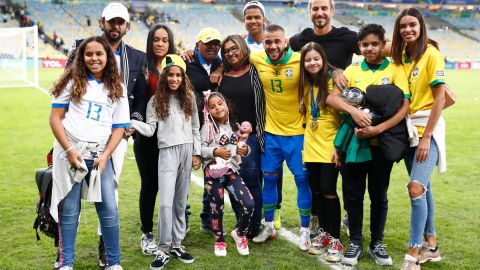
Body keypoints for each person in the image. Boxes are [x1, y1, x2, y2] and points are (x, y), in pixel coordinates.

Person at [64, 3, 147, 267]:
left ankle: (104, 246)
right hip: (78, 136)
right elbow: (66, 87)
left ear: (127, 26)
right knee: (69, 193)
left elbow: (142, 96)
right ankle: (64, 252)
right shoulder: (80, 47)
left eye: (120, 22)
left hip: (115, 137)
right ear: (102, 23)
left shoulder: (137, 57)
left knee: (109, 191)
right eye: (111, 21)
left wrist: (134, 120)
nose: (115, 26)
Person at [326, 24, 410, 266]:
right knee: (353, 196)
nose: (369, 48)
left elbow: (405, 106)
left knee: (379, 196)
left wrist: (377, 129)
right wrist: (353, 111)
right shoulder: (352, 71)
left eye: (374, 43)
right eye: (364, 44)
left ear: (383, 44)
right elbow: (332, 98)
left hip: (380, 145)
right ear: (359, 47)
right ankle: (354, 242)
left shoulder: (395, 69)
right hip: (354, 146)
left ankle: (377, 243)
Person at [49, 36, 129, 270]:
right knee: (70, 210)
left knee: (109, 211)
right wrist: (69, 150)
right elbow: (55, 119)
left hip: (100, 157)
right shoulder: (71, 81)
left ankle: (114, 263)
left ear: (108, 57)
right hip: (72, 153)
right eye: (89, 54)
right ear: (82, 57)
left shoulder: (118, 87)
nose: (94, 58)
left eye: (99, 54)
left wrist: (105, 156)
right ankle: (66, 263)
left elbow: (119, 127)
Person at [130, 54, 200, 270]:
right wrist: (131, 123)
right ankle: (163, 248)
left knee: (180, 202)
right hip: (167, 152)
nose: (174, 78)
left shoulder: (189, 97)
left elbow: (196, 127)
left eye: (179, 75)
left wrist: (197, 153)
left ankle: (177, 244)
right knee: (165, 203)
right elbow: (150, 129)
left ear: (183, 77)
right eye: (170, 74)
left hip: (187, 150)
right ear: (164, 77)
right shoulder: (155, 101)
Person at [391, 8, 446, 270]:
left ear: (421, 26)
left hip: (427, 130)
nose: (407, 30)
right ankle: (432, 247)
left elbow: (440, 99)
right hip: (408, 129)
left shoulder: (432, 54)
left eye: (412, 25)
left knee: (415, 188)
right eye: (403, 26)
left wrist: (426, 138)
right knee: (423, 188)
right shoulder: (403, 57)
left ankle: (413, 253)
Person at [249, 24, 312, 251]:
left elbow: (322, 65)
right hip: (271, 135)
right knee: (270, 180)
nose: (273, 46)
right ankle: (268, 225)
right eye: (268, 42)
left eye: (277, 41)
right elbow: (233, 54)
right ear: (263, 43)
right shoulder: (257, 59)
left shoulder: (300, 59)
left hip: (297, 135)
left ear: (286, 41)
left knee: (302, 181)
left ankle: (305, 230)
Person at [133, 24, 176, 256]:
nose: (160, 44)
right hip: (148, 137)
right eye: (156, 40)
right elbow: (138, 97)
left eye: (165, 40)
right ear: (150, 42)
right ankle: (147, 232)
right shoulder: (142, 66)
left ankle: (173, 230)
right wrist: (136, 122)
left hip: (171, 137)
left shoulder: (177, 64)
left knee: (172, 186)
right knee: (150, 185)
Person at [217, 35, 265, 239]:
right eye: (226, 50)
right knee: (231, 179)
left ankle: (254, 225)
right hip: (228, 137)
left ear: (243, 48)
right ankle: (242, 222)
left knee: (251, 178)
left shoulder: (256, 71)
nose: (230, 53)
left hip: (252, 136)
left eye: (234, 48)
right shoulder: (221, 73)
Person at [298, 42, 343, 261]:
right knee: (316, 191)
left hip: (330, 144)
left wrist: (338, 147)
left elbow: (345, 118)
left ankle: (336, 238)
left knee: (328, 190)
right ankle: (324, 233)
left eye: (316, 59)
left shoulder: (334, 81)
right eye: (308, 60)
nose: (312, 63)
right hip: (311, 144)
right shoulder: (305, 83)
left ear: (323, 59)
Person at [201, 91, 255, 256]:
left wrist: (245, 149)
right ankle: (219, 241)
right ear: (208, 111)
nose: (217, 108)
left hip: (231, 172)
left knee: (249, 203)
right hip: (213, 174)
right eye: (212, 107)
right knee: (216, 208)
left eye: (220, 104)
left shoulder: (234, 126)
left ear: (226, 104)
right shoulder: (207, 127)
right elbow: (200, 149)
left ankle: (240, 234)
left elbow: (242, 148)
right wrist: (215, 151)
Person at [184, 27, 224, 235]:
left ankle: (207, 218)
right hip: (189, 126)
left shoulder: (220, 63)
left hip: (212, 129)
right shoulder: (187, 62)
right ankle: (183, 217)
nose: (212, 47)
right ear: (197, 44)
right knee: (184, 173)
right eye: (208, 43)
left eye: (216, 43)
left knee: (213, 173)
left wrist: (222, 67)